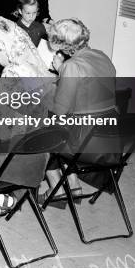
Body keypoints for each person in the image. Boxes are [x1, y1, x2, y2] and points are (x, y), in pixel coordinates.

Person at [0, 17, 56, 214]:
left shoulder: (11, 73)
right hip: (37, 161)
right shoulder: (35, 67)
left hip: (9, 164)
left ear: (6, 48)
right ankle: (9, 197)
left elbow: (3, 131)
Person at [39, 18, 118, 204]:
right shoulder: (102, 56)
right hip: (108, 139)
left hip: (84, 144)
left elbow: (59, 111)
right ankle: (74, 185)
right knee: (66, 126)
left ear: (64, 46)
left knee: (41, 128)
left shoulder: (70, 66)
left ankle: (55, 188)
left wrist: (61, 70)